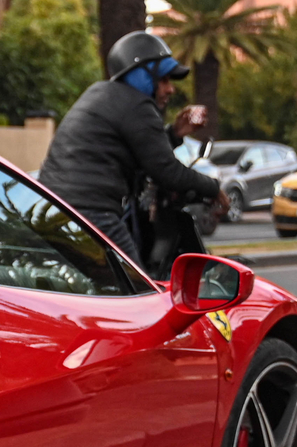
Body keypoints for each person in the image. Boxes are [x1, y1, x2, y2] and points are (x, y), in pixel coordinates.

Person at [38, 31, 224, 270]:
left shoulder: (100, 93)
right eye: (164, 80)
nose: (171, 89)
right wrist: (214, 188)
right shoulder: (137, 105)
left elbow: (142, 151)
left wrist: (175, 134)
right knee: (136, 285)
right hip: (91, 214)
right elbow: (168, 172)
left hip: (51, 208)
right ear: (142, 76)